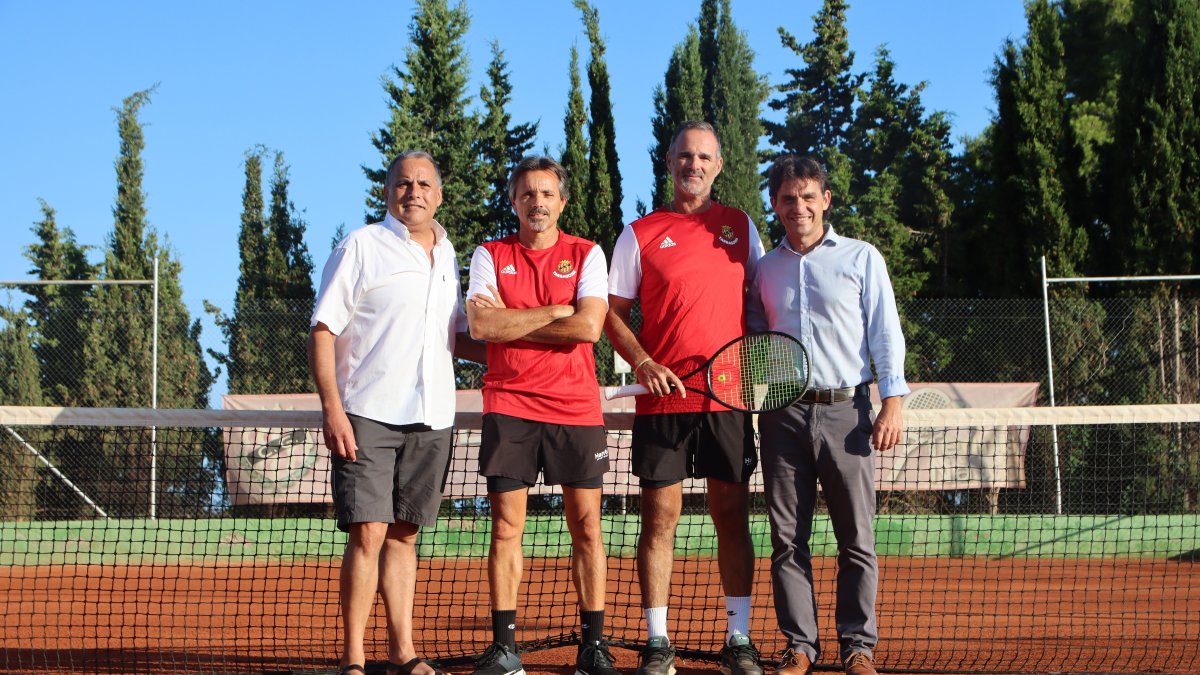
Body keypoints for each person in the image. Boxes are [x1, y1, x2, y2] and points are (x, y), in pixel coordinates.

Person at [308, 150, 485, 675]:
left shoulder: (450, 255)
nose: (414, 192)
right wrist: (333, 410)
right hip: (366, 413)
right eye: (403, 184)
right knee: (368, 532)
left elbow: (453, 336)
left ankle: (403, 653)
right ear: (388, 192)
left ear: (439, 194)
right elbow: (323, 330)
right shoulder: (360, 246)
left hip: (433, 415)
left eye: (424, 184)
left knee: (405, 535)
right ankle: (354, 659)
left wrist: (528, 348)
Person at [605, 121, 766, 675]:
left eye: (704, 157)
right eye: (684, 156)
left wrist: (758, 369)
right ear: (669, 162)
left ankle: (738, 640)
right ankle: (657, 641)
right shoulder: (639, 233)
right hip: (663, 404)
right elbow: (611, 314)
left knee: (731, 516)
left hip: (727, 402)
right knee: (660, 519)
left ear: (718, 165)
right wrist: (644, 363)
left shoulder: (741, 228)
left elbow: (762, 308)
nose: (693, 165)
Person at [746, 155, 908, 675]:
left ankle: (858, 648)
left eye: (808, 196)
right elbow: (752, 341)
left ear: (826, 200)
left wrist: (893, 401)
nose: (799, 207)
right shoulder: (764, 269)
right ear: (775, 204)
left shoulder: (862, 258)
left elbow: (886, 332)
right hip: (782, 417)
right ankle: (800, 647)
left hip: (850, 413)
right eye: (788, 198)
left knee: (856, 540)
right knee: (786, 540)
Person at [465, 156, 614, 675]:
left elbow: (589, 329)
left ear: (562, 202)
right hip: (510, 407)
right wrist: (555, 311)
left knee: (588, 529)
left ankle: (593, 646)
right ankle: (506, 649)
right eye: (527, 194)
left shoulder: (588, 253)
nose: (538, 203)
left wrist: (513, 323)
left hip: (576, 408)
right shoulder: (489, 253)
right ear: (514, 202)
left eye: (547, 194)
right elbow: (482, 325)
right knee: (506, 529)